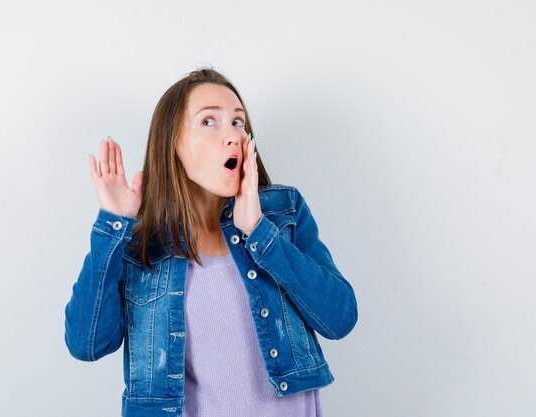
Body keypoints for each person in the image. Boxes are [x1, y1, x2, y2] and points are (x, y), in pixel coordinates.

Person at [64, 67, 358, 417]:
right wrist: (114, 226)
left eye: (238, 122)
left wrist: (259, 231)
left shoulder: (283, 212)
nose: (233, 135)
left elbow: (339, 319)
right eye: (209, 122)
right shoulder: (140, 242)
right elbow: (87, 345)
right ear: (172, 143)